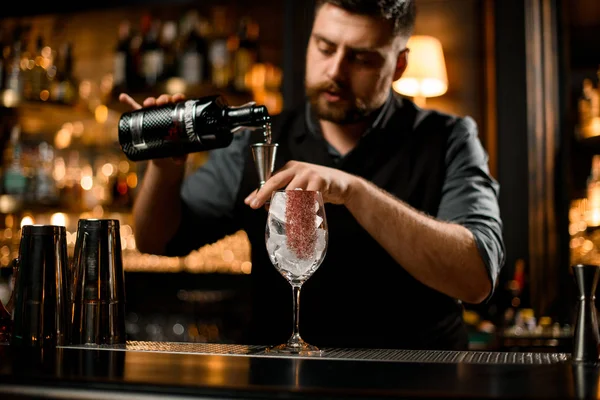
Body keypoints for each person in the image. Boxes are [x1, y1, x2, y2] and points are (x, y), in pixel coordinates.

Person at [119, 0, 505, 350]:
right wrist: (164, 171)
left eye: (362, 58)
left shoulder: (450, 138)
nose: (335, 71)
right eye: (324, 47)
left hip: (418, 382)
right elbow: (157, 240)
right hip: (285, 381)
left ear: (399, 64)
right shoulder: (259, 143)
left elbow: (475, 280)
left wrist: (355, 191)